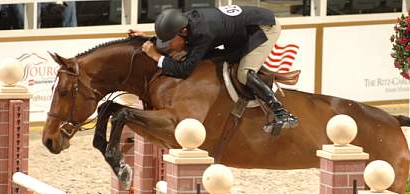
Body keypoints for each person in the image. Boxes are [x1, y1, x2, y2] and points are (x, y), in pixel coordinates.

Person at [128, 6, 299, 135]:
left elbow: (185, 70)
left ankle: (281, 113)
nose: (168, 46)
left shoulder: (203, 33)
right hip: (241, 29)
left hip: (263, 28)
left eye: (169, 41)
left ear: (184, 31)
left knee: (243, 73)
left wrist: (157, 57)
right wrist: (149, 38)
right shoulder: (184, 23)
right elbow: (174, 40)